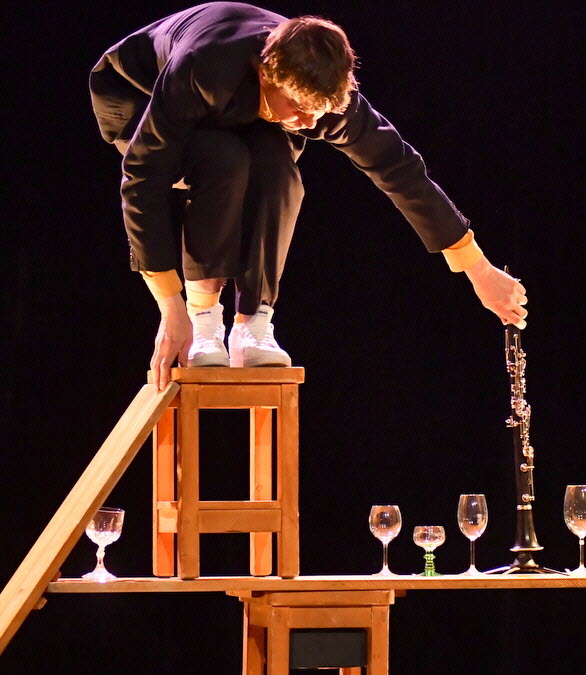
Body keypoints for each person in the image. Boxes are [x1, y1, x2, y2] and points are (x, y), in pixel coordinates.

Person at [90, 2, 528, 390]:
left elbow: (399, 169)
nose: (309, 122)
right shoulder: (201, 68)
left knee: (278, 164)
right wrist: (171, 307)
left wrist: (477, 267)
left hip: (248, 104)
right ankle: (205, 319)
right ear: (268, 75)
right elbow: (143, 177)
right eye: (299, 109)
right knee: (222, 159)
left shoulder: (325, 101)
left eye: (319, 112)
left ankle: (253, 323)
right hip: (138, 93)